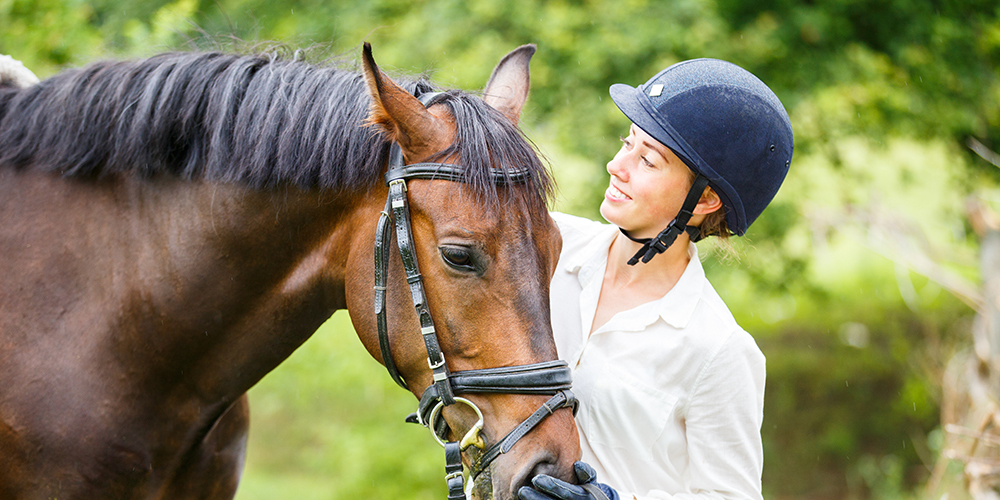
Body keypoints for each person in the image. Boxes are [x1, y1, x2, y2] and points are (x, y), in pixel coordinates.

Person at [518, 58, 793, 500]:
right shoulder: (542, 244)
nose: (616, 165)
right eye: (627, 143)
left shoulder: (720, 350)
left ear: (704, 198)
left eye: (647, 160)